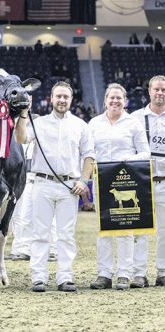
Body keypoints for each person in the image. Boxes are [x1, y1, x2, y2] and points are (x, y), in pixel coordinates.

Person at [15, 81, 95, 292]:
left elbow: (89, 156)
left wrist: (84, 181)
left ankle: (65, 278)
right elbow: (21, 138)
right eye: (58, 96)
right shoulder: (39, 123)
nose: (62, 100)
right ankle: (38, 278)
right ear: (51, 98)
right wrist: (24, 113)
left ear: (71, 99)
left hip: (70, 185)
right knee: (40, 233)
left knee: (66, 235)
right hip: (42, 183)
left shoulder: (81, 126)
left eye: (65, 97)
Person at [89, 83, 150, 291]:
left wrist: (129, 158)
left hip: (125, 182)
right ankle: (104, 274)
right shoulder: (94, 124)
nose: (115, 101)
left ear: (125, 101)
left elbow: (145, 153)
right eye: (111, 98)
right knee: (103, 229)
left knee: (125, 229)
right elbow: (87, 153)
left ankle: (124, 274)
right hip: (101, 182)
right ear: (105, 100)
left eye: (119, 98)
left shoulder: (133, 123)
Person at [131, 75, 165, 288]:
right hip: (142, 181)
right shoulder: (135, 118)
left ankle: (162, 271)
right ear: (149, 91)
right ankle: (138, 273)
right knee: (140, 228)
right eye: (156, 90)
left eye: (163, 90)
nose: (160, 93)